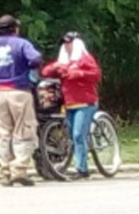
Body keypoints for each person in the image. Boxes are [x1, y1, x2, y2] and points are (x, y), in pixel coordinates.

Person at [0, 15, 43, 186]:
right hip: (18, 92)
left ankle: (5, 172)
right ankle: (19, 170)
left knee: (2, 134)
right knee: (23, 130)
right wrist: (28, 70)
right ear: (15, 29)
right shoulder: (21, 43)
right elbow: (35, 59)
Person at [41, 32, 101, 180]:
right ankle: (79, 164)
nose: (67, 46)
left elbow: (96, 74)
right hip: (69, 103)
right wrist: (55, 66)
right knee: (72, 136)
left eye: (70, 43)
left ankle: (82, 169)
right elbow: (45, 72)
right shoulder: (63, 61)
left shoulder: (85, 59)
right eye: (65, 44)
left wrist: (79, 73)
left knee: (78, 135)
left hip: (85, 103)